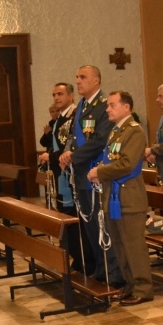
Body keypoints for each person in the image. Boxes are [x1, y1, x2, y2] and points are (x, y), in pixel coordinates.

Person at [87, 91, 154, 306]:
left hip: (128, 196)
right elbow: (112, 159)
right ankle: (130, 285)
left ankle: (143, 288)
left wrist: (99, 172)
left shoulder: (134, 131)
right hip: (113, 196)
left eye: (112, 105)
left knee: (133, 246)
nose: (107, 109)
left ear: (126, 107)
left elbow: (126, 164)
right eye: (108, 105)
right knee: (120, 246)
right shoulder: (116, 132)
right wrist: (101, 172)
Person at [59, 66, 122, 287]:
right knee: (90, 226)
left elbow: (100, 140)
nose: (77, 81)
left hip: (96, 174)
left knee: (102, 226)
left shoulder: (103, 106)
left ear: (96, 80)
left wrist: (74, 156)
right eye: (76, 77)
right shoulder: (83, 106)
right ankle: (99, 267)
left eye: (82, 77)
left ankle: (113, 271)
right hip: (81, 175)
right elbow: (74, 136)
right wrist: (67, 152)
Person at [38, 82, 91, 273]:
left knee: (74, 218)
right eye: (54, 95)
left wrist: (50, 156)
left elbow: (71, 147)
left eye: (60, 94)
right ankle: (74, 255)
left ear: (71, 96)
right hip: (60, 174)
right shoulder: (59, 118)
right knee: (64, 216)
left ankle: (83, 259)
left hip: (71, 173)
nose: (56, 98)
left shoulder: (75, 115)